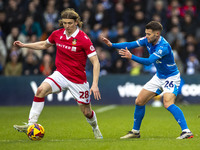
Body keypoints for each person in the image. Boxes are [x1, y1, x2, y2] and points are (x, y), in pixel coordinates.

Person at [13, 8, 103, 139]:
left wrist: (94, 84)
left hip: (77, 79)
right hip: (60, 74)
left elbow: (96, 62)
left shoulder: (83, 39)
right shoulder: (57, 34)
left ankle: (95, 128)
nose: (67, 26)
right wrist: (24, 45)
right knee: (40, 91)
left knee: (86, 112)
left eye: (70, 23)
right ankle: (31, 125)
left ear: (76, 22)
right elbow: (44, 44)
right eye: (65, 23)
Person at [101, 21, 193, 139]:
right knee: (139, 101)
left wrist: (131, 57)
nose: (147, 36)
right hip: (159, 76)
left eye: (149, 34)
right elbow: (131, 44)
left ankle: (186, 131)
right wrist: (112, 45)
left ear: (157, 34)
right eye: (146, 33)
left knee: (168, 103)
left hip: (171, 77)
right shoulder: (147, 39)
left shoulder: (163, 46)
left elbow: (149, 61)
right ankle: (135, 132)